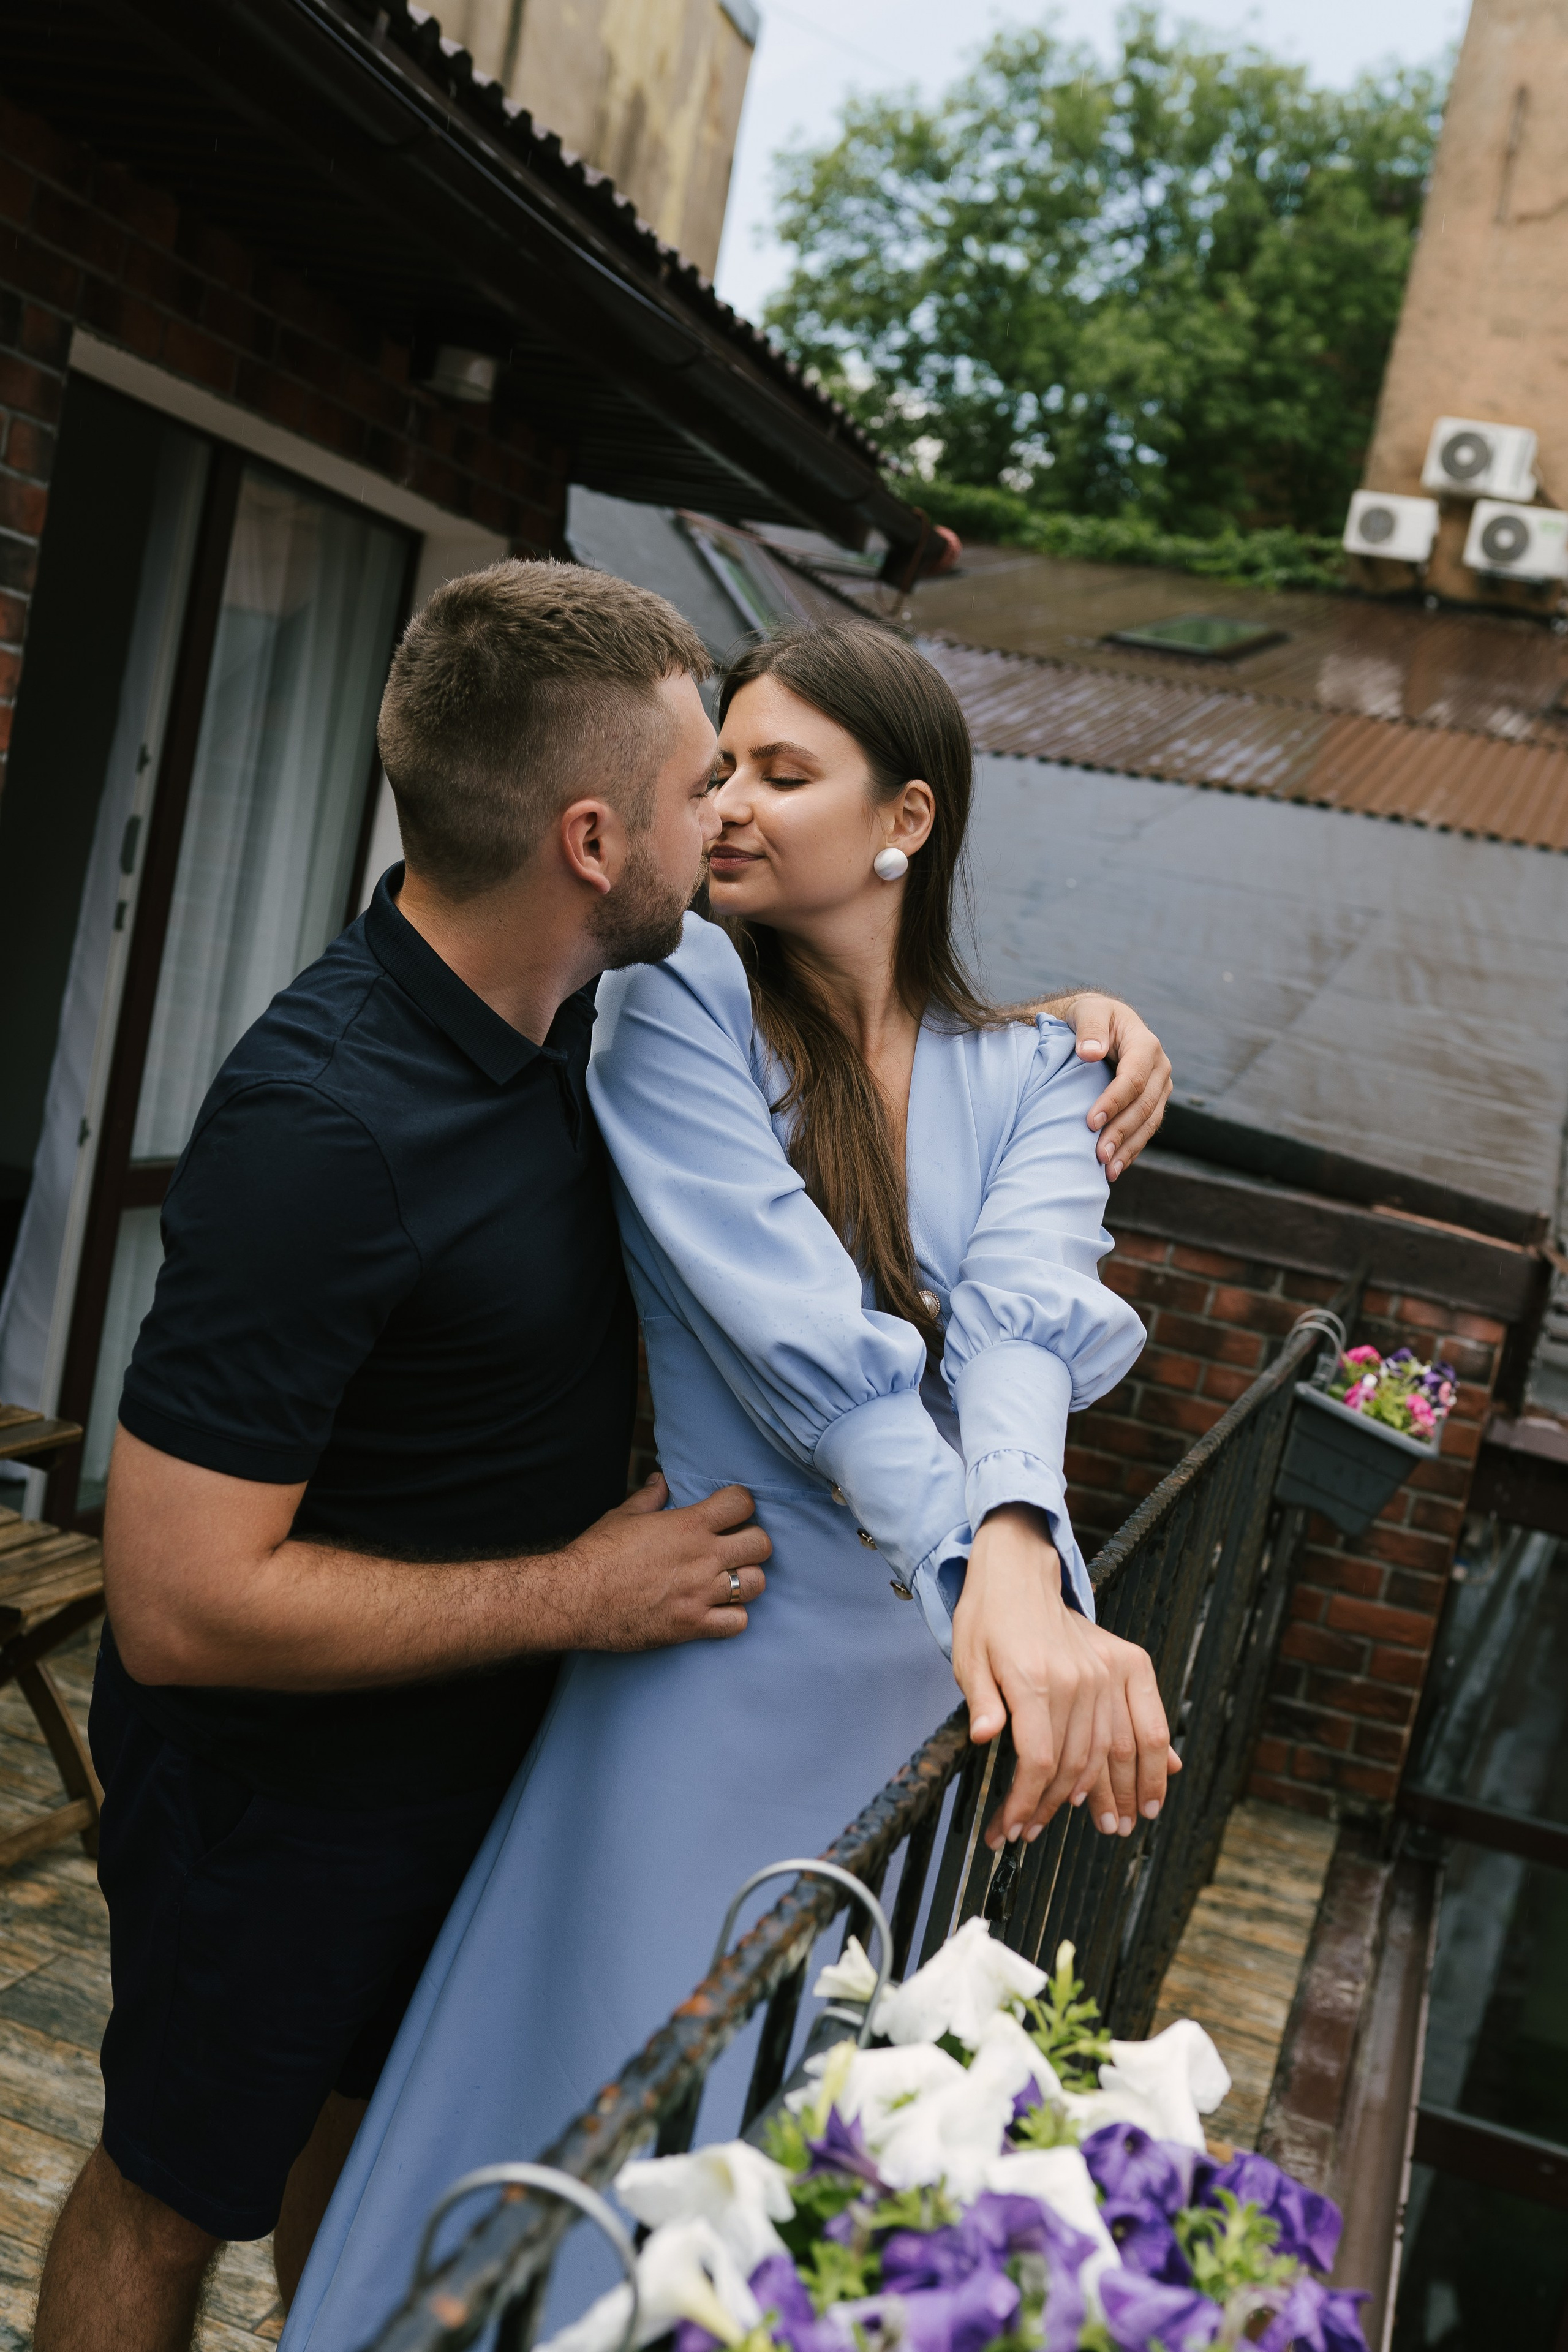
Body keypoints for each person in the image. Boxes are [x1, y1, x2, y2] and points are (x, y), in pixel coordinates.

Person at [34, 568, 1170, 2352]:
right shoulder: (336, 1119)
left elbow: (970, 1226)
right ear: (590, 838)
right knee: (174, 2193)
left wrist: (1062, 1026)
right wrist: (591, 1587)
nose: (722, 813)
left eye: (759, 774)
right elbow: (177, 1608)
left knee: (421, 2166)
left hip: (525, 1723)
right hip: (294, 1782)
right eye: (701, 778)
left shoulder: (564, 1016)